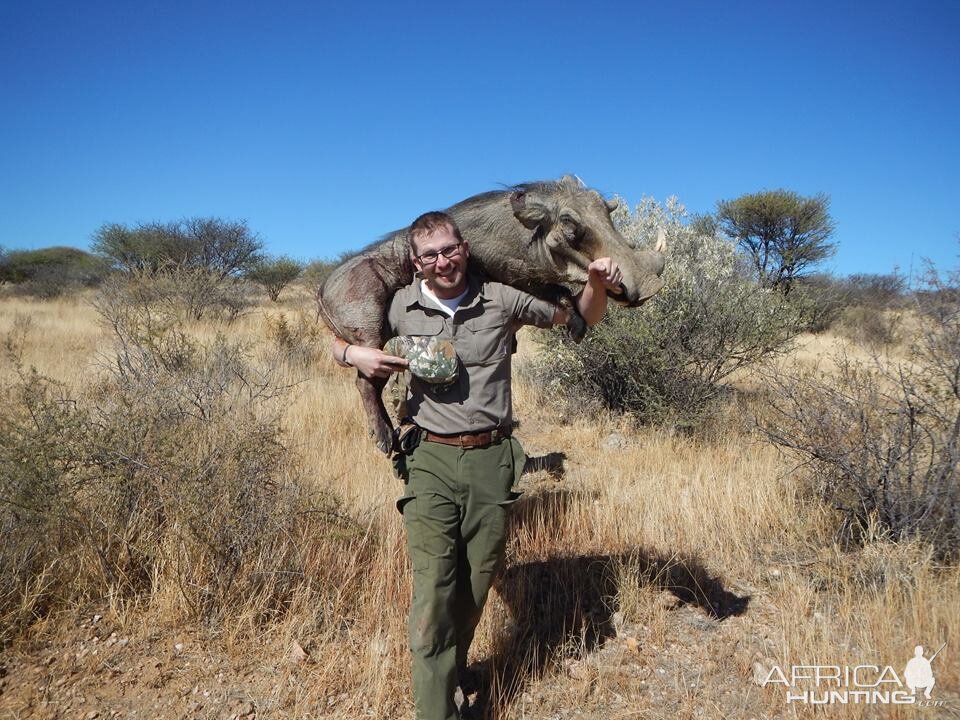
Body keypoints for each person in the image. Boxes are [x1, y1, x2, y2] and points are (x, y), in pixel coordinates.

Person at [331, 211, 620, 720]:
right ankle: (436, 708)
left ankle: (455, 665)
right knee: (434, 591)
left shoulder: (501, 299)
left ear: (464, 247)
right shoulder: (400, 306)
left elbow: (582, 317)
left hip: (492, 459)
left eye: (449, 249)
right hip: (430, 460)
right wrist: (354, 353)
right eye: (430, 255)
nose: (443, 261)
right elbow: (335, 337)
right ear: (416, 264)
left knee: (476, 582)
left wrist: (595, 283)